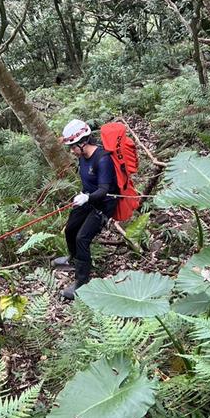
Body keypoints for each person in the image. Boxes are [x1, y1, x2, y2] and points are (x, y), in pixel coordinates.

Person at [55, 119, 118, 300]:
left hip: (103, 204)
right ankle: (74, 259)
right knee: (70, 229)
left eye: (74, 147)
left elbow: (104, 189)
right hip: (88, 199)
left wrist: (87, 197)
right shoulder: (82, 157)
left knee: (82, 238)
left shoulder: (103, 159)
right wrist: (82, 196)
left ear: (83, 143)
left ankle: (81, 284)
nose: (72, 151)